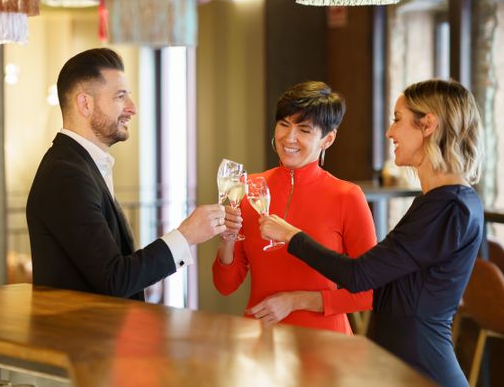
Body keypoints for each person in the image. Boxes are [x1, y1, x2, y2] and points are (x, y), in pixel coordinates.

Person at [260, 79, 483, 387]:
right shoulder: (436, 201)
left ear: (428, 124)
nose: (390, 132)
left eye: (397, 119)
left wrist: (292, 236)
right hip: (402, 367)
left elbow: (360, 275)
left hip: (423, 371)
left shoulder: (450, 207)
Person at [27, 47, 225, 301]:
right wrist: (185, 235)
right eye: (121, 97)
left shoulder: (80, 165)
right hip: (77, 337)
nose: (132, 108)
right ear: (85, 104)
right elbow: (115, 279)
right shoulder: (66, 175)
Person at [214, 81, 377, 333]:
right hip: (260, 339)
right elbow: (225, 286)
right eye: (284, 124)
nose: (289, 138)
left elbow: (370, 292)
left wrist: (296, 301)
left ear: (328, 139)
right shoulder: (248, 188)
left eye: (304, 130)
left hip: (324, 343)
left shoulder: (347, 196)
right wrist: (227, 240)